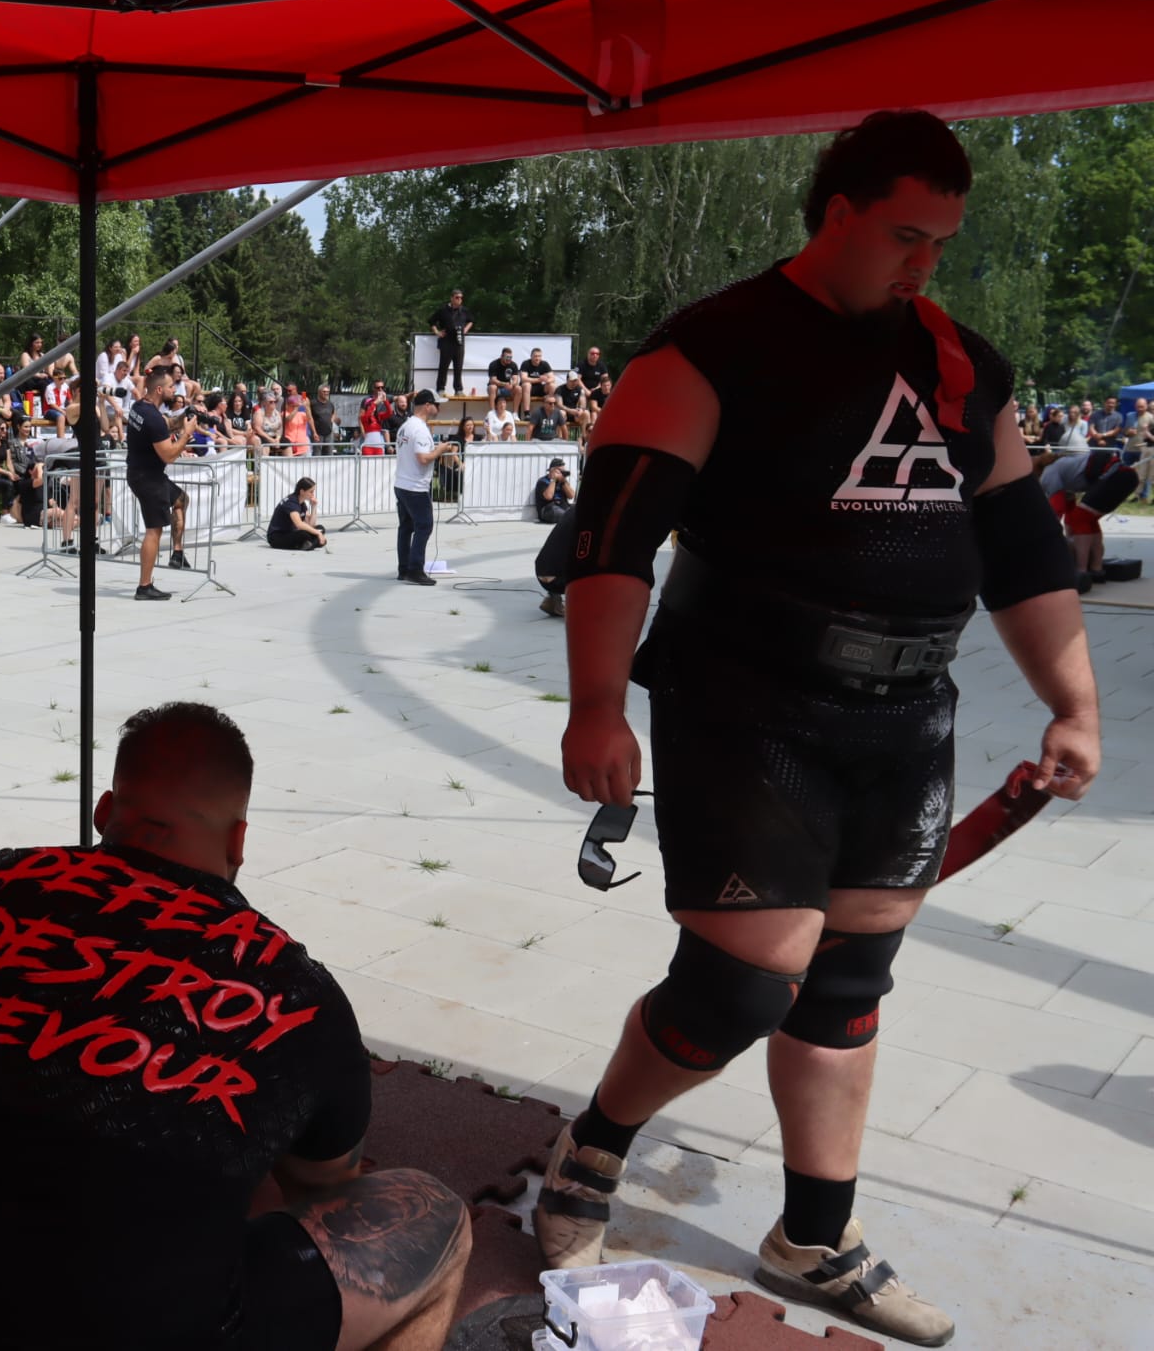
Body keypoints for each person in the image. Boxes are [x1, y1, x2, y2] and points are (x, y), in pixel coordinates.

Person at [547, 111, 1100, 1348]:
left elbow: (1021, 550)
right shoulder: (707, 349)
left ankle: (814, 1235)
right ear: (835, 211)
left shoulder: (963, 366)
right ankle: (593, 1147)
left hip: (904, 714)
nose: (925, 263)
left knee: (846, 986)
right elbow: (611, 542)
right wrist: (595, 702)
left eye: (942, 240)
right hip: (744, 702)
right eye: (904, 235)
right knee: (741, 983)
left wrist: (1074, 704)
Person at [0, 702, 472, 1351]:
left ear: (105, 809)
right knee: (434, 1214)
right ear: (239, 841)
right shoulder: (302, 995)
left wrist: (5, 1048)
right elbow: (322, 1187)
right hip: (182, 1333)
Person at [126, 372, 192, 601]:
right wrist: (186, 435)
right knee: (154, 530)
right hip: (148, 479)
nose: (175, 390)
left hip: (144, 474)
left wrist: (185, 417)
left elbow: (166, 425)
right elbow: (169, 455)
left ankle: (177, 553)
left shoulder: (139, 407)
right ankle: (144, 586)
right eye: (171, 387)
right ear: (159, 390)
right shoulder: (153, 418)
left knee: (181, 498)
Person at [392, 390, 451, 586]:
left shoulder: (406, 426)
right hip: (415, 487)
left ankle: (404, 569)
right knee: (424, 526)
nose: (438, 408)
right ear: (427, 405)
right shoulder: (420, 429)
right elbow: (423, 458)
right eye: (436, 404)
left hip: (402, 483)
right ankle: (415, 569)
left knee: (406, 528)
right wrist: (439, 450)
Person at [268, 476, 329, 551]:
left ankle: (308, 544)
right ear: (302, 491)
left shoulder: (302, 503)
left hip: (291, 533)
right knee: (304, 534)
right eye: (311, 492)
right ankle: (312, 543)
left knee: (320, 528)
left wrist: (314, 507)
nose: (313, 494)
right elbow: (299, 524)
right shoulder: (291, 502)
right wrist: (318, 533)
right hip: (277, 537)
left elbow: (311, 525)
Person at [430, 289, 472, 396]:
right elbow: (431, 321)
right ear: (452, 298)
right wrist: (437, 332)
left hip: (459, 342)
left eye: (461, 298)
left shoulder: (464, 310)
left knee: (458, 367)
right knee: (443, 366)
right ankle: (440, 389)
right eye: (457, 297)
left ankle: (458, 390)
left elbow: (471, 321)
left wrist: (465, 330)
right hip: (446, 341)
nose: (459, 300)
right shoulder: (443, 310)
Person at [534, 458, 573, 523]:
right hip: (549, 509)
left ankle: (570, 518)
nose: (562, 473)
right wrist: (553, 480)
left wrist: (563, 482)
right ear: (552, 470)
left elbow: (571, 496)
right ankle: (569, 518)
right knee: (558, 512)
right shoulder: (542, 481)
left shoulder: (562, 481)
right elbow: (548, 497)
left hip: (562, 507)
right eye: (560, 471)